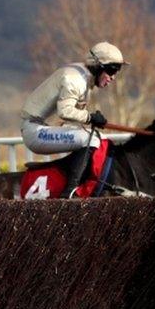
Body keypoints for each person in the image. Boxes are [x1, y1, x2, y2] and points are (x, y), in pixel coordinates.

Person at [20, 41, 126, 198]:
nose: (113, 77)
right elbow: (65, 111)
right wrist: (90, 117)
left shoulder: (84, 77)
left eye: (117, 71)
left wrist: (90, 119)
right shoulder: (75, 80)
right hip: (36, 131)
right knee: (91, 140)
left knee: (97, 137)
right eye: (111, 70)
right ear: (97, 66)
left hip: (44, 128)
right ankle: (70, 192)